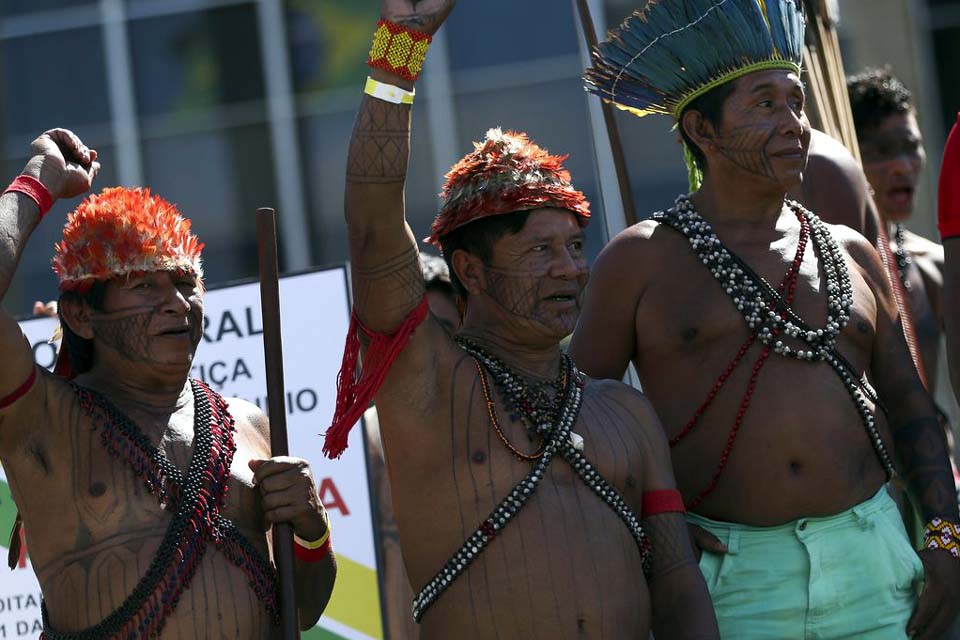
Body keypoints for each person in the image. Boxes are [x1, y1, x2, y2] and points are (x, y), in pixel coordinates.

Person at [327, 1, 718, 637]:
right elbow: (371, 223)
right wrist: (400, 46)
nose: (570, 269)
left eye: (573, 247)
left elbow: (678, 583)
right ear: (470, 272)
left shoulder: (625, 414)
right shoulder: (427, 388)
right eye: (539, 250)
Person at [573, 1, 960, 638]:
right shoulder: (640, 261)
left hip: (876, 567)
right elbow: (578, 418)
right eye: (764, 105)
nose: (794, 125)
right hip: (733, 586)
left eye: (797, 102)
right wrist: (655, 531)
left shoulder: (851, 252)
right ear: (701, 128)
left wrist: (944, 537)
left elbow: (913, 406)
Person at [0, 129, 335, 637]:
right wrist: (39, 178)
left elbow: (302, 611)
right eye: (143, 285)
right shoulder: (42, 420)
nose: (177, 304)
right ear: (80, 315)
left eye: (184, 282)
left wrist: (311, 532)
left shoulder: (248, 424)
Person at [364, 250, 460, 638]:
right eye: (411, 335)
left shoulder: (506, 429)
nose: (428, 351)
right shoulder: (364, 443)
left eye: (446, 331)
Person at [848, 67, 944, 388]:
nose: (903, 165)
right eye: (883, 151)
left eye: (911, 146)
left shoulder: (935, 265)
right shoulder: (822, 265)